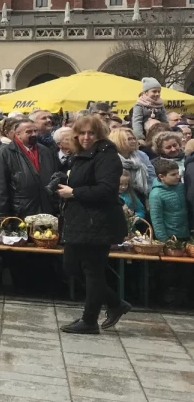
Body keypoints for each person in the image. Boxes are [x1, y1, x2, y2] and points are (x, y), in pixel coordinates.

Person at [57, 115, 131, 334]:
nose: (86, 137)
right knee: (71, 266)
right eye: (82, 133)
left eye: (92, 133)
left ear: (100, 135)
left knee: (93, 271)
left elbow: (107, 189)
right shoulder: (81, 155)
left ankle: (89, 320)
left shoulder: (107, 156)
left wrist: (74, 192)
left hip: (99, 221)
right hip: (80, 221)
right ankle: (115, 303)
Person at [0, 119, 59, 222]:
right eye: (28, 132)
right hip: (20, 211)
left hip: (46, 209)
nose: (34, 134)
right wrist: (3, 213)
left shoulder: (45, 151)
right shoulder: (5, 153)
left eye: (35, 131)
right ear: (18, 134)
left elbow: (55, 174)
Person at [109, 127, 156, 199]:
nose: (134, 141)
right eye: (129, 139)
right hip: (120, 197)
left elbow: (151, 177)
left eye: (134, 138)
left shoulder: (141, 155)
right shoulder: (110, 158)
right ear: (117, 141)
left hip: (143, 194)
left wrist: (148, 196)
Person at [149, 158, 189, 242]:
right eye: (173, 174)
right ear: (161, 176)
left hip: (186, 233)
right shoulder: (156, 194)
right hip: (171, 237)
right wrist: (164, 239)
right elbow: (157, 219)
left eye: (178, 173)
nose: (178, 176)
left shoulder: (181, 187)